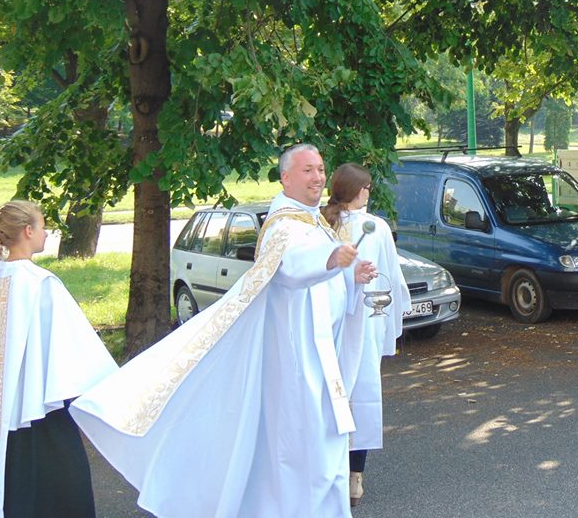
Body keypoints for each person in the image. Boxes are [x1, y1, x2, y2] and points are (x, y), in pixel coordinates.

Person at [70, 144, 376, 518]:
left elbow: (322, 286)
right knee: (302, 449)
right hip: (297, 361)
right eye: (308, 170)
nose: (318, 177)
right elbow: (291, 266)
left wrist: (351, 278)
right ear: (285, 178)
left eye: (321, 169)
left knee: (323, 445)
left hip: (320, 355)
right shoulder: (284, 225)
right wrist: (329, 259)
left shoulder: (312, 221)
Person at [0, 200, 118, 518]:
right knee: (62, 496)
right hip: (42, 409)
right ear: (28, 231)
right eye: (43, 226)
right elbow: (75, 347)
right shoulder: (41, 283)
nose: (46, 233)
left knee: (13, 495)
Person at [321, 163, 412, 507]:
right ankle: (354, 477)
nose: (369, 193)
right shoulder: (369, 227)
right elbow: (390, 276)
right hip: (361, 322)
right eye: (368, 187)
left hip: (331, 323)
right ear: (359, 190)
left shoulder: (322, 223)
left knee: (335, 394)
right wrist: (392, 320)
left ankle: (335, 473)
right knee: (360, 395)